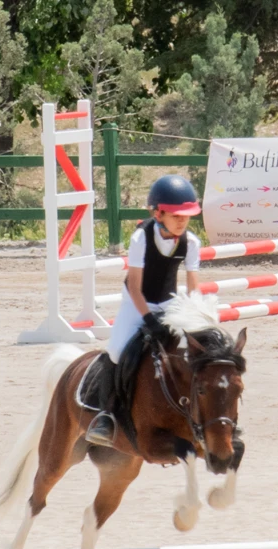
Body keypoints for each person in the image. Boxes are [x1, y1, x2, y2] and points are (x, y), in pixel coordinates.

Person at [85, 174, 203, 446]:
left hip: (171, 302)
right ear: (158, 213)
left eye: (187, 215)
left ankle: (198, 408)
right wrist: (148, 320)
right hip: (137, 301)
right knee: (116, 350)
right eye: (176, 215)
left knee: (195, 348)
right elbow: (136, 288)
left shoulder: (192, 243)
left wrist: (197, 317)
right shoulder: (141, 237)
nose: (183, 221)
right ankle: (105, 415)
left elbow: (194, 288)